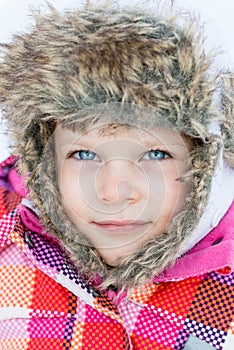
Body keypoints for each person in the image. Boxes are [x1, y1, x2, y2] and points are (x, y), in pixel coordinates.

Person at [0, 2, 233, 349]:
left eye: (156, 154)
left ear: (206, 162)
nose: (112, 192)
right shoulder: (9, 235)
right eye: (84, 154)